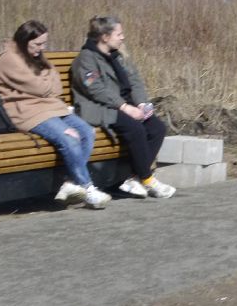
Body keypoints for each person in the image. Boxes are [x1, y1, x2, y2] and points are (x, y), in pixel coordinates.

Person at [0, 20, 111, 209]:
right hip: (27, 113)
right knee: (70, 138)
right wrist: (46, 80)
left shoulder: (35, 57)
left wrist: (46, 82)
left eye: (44, 44)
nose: (41, 49)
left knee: (87, 131)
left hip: (51, 108)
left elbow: (56, 88)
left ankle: (71, 184)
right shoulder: (10, 59)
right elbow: (41, 87)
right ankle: (88, 189)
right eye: (37, 44)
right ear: (23, 41)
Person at [72, 15, 177, 198]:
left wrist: (142, 103)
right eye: (119, 34)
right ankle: (147, 178)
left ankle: (134, 178)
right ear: (105, 37)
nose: (123, 37)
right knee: (135, 129)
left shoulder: (117, 56)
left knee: (157, 128)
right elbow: (96, 90)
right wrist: (124, 107)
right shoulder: (86, 59)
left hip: (124, 105)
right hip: (100, 107)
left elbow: (135, 80)